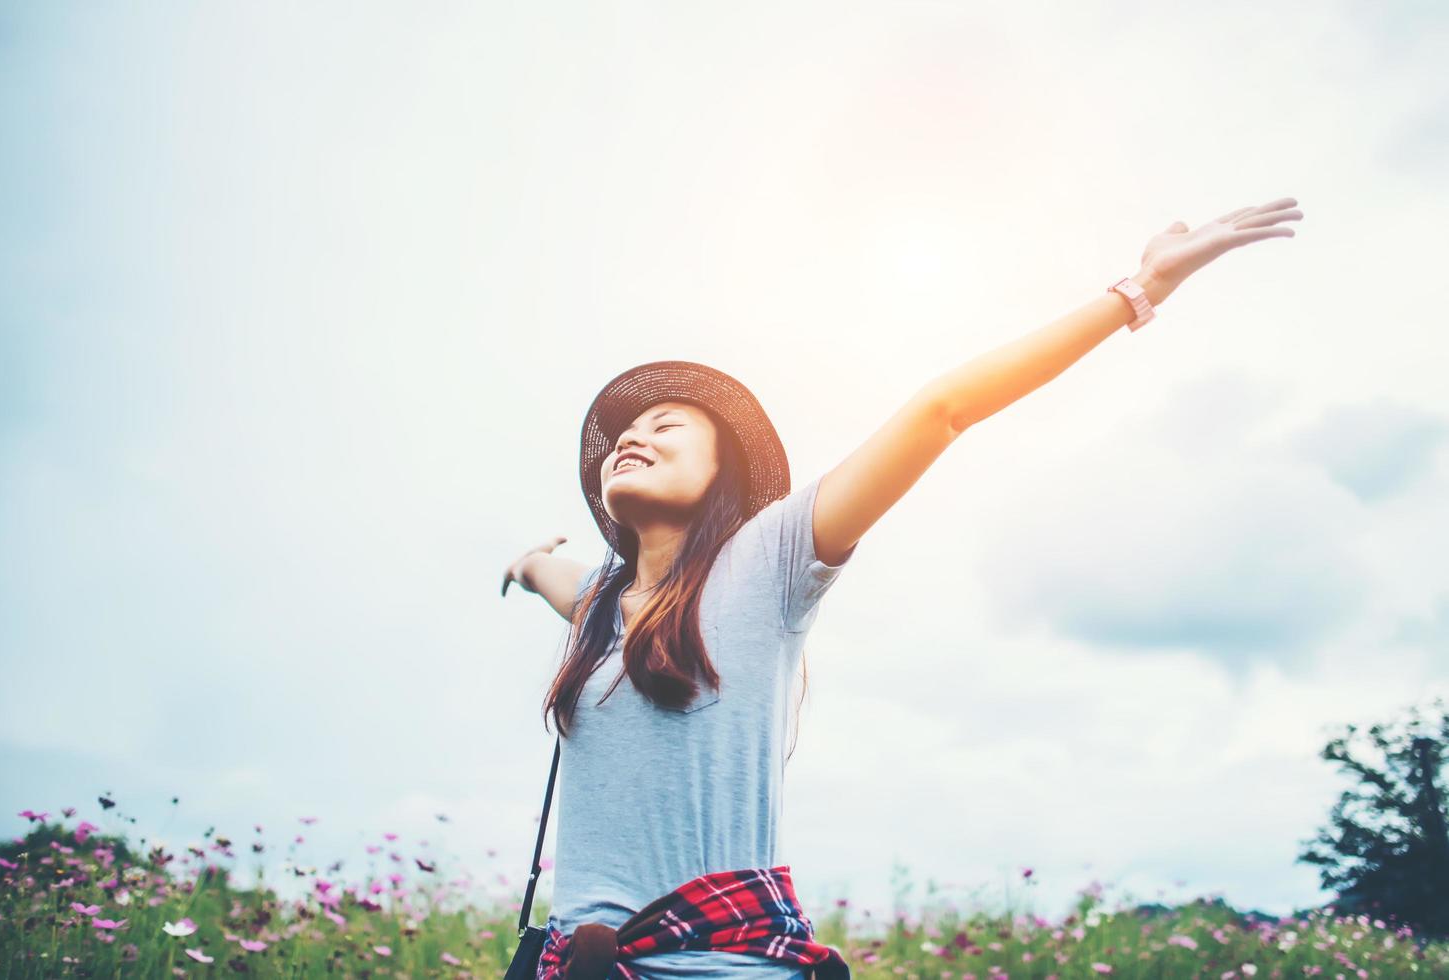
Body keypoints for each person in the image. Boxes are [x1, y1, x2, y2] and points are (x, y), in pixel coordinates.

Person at [501, 197, 1303, 978]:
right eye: (624, 438)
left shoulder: (767, 562)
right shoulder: (603, 604)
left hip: (720, 964)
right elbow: (559, 580)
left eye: (665, 428)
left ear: (722, 477)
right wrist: (528, 563)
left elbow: (941, 410)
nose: (633, 439)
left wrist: (1135, 292)